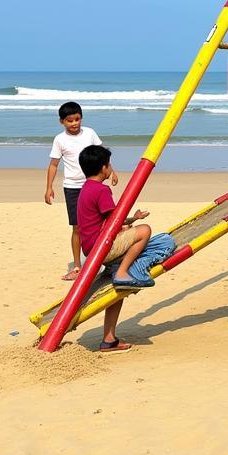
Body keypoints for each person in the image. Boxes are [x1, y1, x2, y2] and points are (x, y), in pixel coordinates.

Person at [76, 145, 175, 352]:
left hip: (93, 248)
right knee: (145, 231)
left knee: (117, 293)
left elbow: (110, 221)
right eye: (109, 164)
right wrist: (133, 224)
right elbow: (115, 221)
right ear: (104, 167)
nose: (110, 168)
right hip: (101, 247)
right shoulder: (102, 190)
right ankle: (122, 271)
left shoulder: (86, 188)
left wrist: (131, 220)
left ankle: (109, 340)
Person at [45, 101, 117, 281]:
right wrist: (49, 187)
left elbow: (102, 156)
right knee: (77, 227)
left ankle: (105, 262)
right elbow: (53, 165)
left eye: (77, 119)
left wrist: (112, 171)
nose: (74, 123)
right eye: (70, 121)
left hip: (93, 185)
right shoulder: (60, 140)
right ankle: (78, 266)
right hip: (73, 187)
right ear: (62, 122)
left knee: (102, 222)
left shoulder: (90, 133)